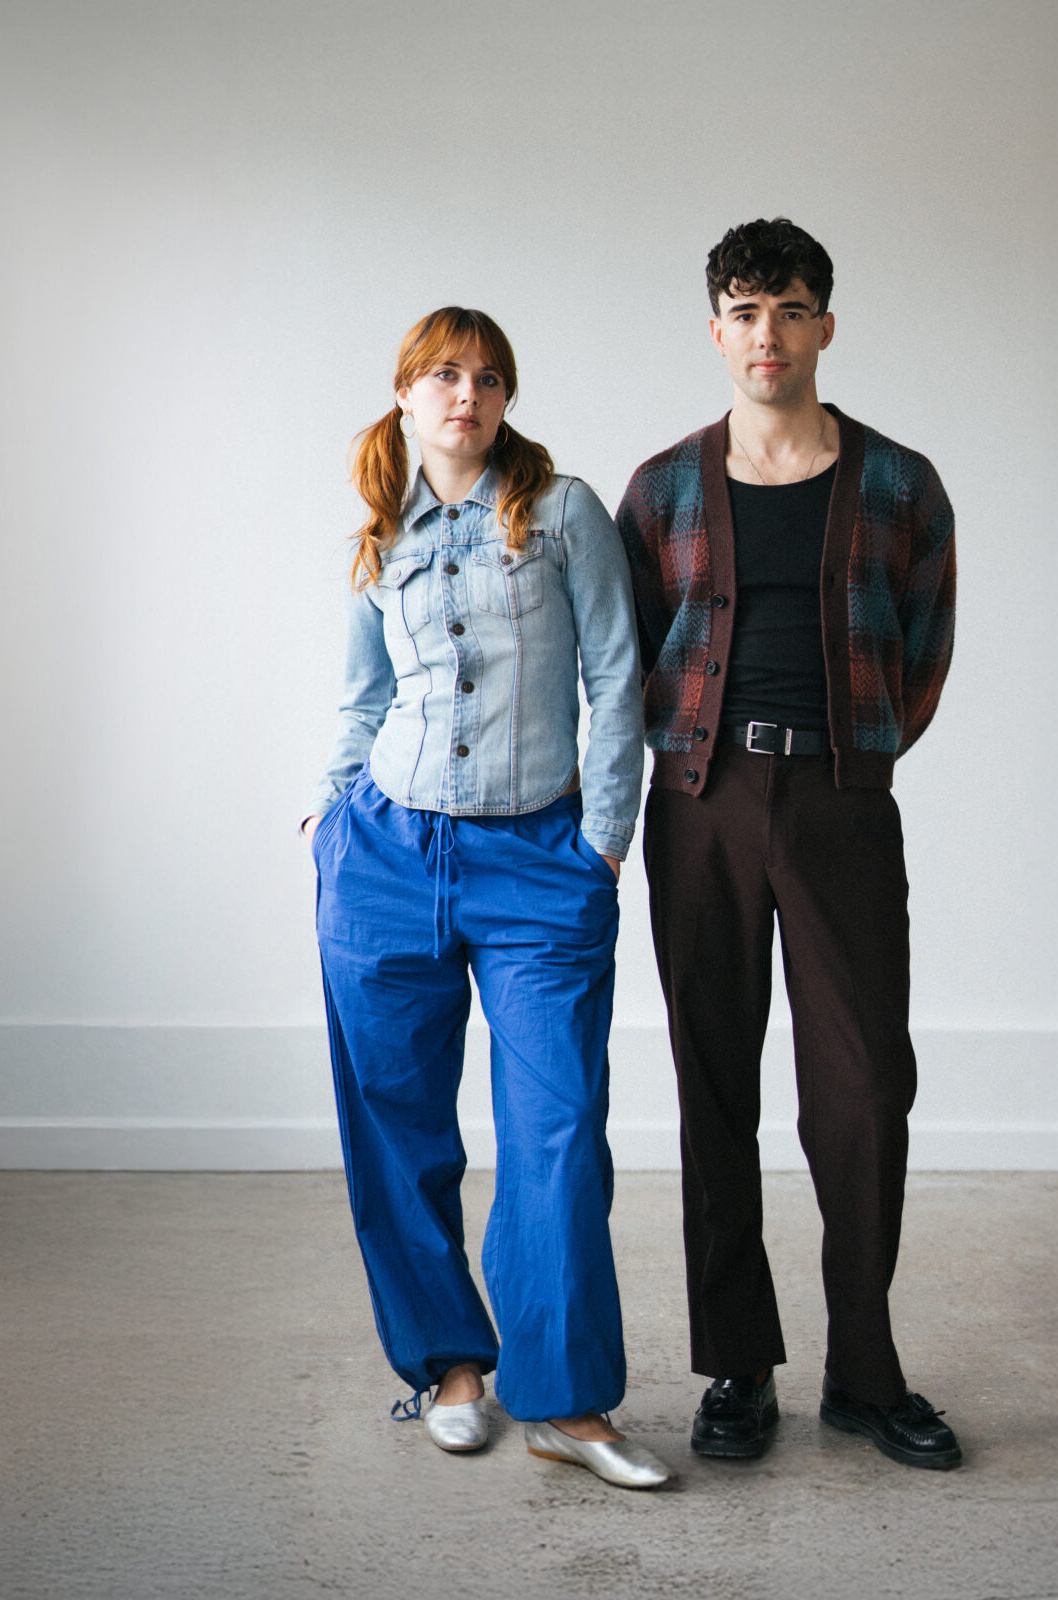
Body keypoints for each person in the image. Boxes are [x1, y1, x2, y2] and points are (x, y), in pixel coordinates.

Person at [616, 219, 963, 1470]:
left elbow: (921, 651)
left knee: (862, 1088)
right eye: (744, 311)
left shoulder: (899, 483)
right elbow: (628, 652)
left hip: (839, 802)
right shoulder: (660, 487)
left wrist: (846, 758)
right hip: (698, 801)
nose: (767, 334)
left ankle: (863, 1373)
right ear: (715, 331)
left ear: (824, 326)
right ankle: (736, 1367)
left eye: (790, 309)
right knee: (712, 1080)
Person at [304, 306, 669, 1489]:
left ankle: (565, 1399)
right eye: (445, 375)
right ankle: (450, 1366)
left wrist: (602, 841)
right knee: (395, 1121)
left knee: (554, 1127)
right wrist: (325, 818)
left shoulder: (562, 513)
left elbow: (616, 675)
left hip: (537, 861)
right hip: (386, 856)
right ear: (406, 393)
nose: (467, 395)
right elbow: (362, 700)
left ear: (507, 398)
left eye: (489, 377)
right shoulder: (378, 533)